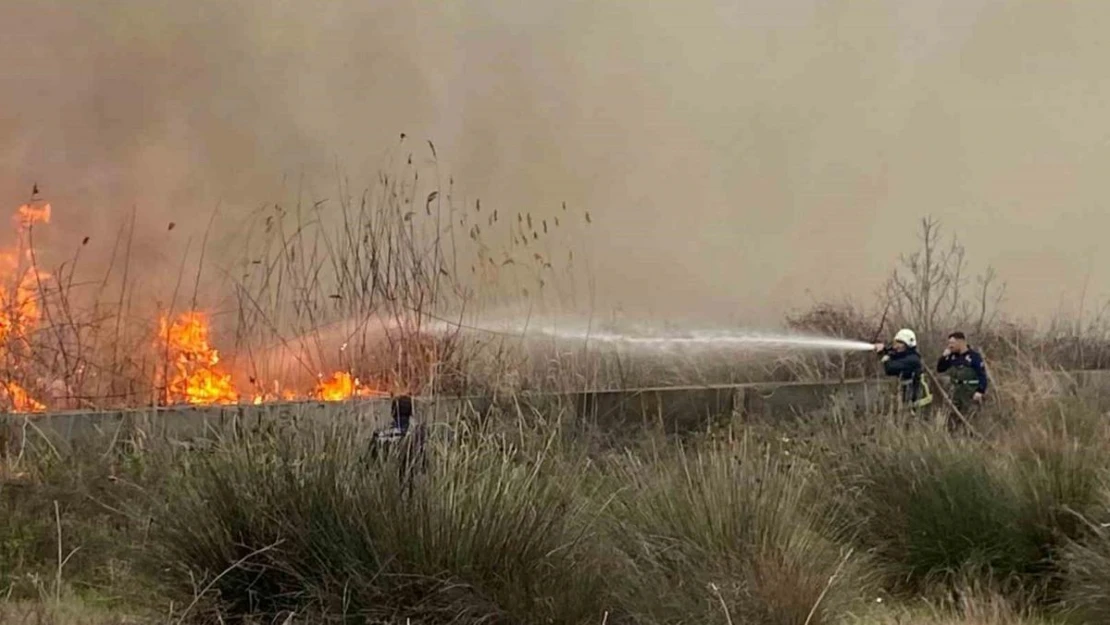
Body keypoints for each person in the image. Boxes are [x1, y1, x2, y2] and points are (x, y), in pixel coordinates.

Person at [936, 331, 989, 430]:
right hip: (955, 392)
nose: (950, 346)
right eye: (949, 344)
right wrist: (943, 357)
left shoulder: (974, 357)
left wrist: (980, 391)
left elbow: (982, 375)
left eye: (952, 343)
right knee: (952, 418)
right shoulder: (952, 356)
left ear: (961, 342)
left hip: (969, 392)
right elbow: (940, 369)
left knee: (969, 418)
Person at [872, 328, 933, 413]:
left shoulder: (913, 359)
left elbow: (890, 369)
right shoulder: (906, 355)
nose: (895, 346)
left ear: (908, 345)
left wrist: (883, 355)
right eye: (895, 343)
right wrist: (884, 350)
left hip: (920, 400)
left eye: (899, 344)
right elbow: (894, 354)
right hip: (911, 397)